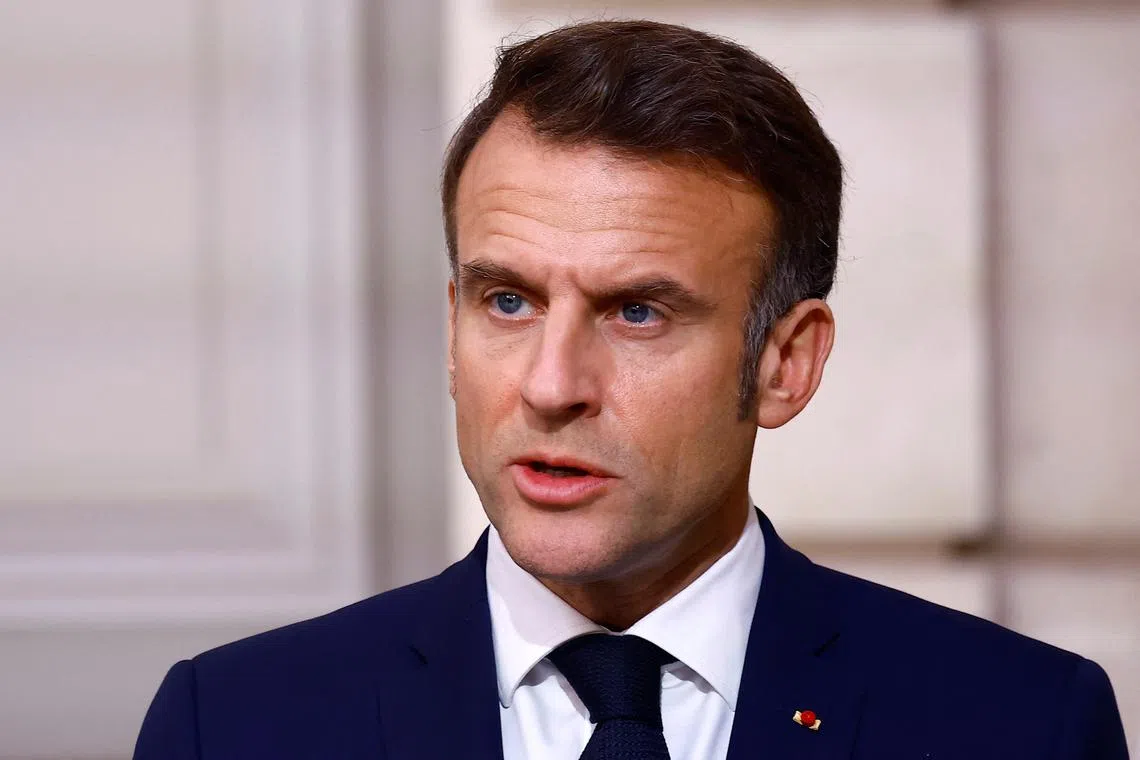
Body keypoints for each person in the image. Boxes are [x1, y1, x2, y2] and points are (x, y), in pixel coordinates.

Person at [134, 19, 1129, 760]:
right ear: (451, 330)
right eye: (509, 300)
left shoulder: (1018, 724)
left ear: (785, 363)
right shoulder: (234, 725)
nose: (552, 384)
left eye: (637, 313)